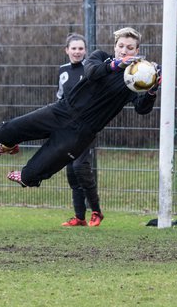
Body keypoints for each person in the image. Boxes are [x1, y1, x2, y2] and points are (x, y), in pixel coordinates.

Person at [0, 26, 161, 214]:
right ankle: (8, 146)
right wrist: (115, 65)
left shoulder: (134, 79)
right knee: (2, 132)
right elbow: (92, 72)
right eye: (121, 46)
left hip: (81, 132)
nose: (124, 51)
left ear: (137, 51)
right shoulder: (100, 57)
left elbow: (142, 109)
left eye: (130, 48)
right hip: (62, 111)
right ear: (115, 46)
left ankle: (29, 176)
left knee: (30, 175)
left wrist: (151, 90)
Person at [56, 33, 103, 227]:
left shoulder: (91, 69)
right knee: (71, 172)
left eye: (81, 48)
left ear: (86, 51)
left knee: (80, 168)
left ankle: (97, 212)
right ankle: (79, 217)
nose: (77, 52)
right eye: (73, 48)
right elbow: (60, 97)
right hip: (68, 128)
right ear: (67, 50)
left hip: (87, 127)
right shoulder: (62, 71)